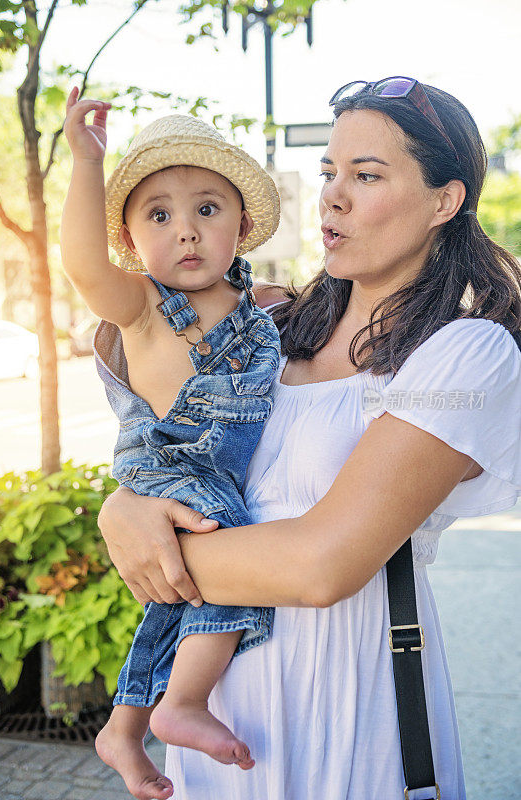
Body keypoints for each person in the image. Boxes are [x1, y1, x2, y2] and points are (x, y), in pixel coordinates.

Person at [97, 78, 521, 800]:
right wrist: (124, 509)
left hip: (349, 704)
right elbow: (184, 457)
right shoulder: (269, 332)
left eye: (366, 175)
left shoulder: (465, 354)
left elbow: (322, 565)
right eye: (329, 173)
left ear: (444, 201)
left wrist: (148, 550)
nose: (332, 197)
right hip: (219, 711)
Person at [61, 87, 283, 800]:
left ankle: (122, 732)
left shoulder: (267, 307)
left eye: (206, 211)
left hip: (210, 478)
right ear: (130, 241)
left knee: (174, 601)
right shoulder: (143, 306)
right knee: (231, 553)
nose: (185, 232)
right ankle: (182, 703)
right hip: (169, 467)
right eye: (159, 215)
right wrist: (85, 165)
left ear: (241, 226)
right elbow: (81, 265)